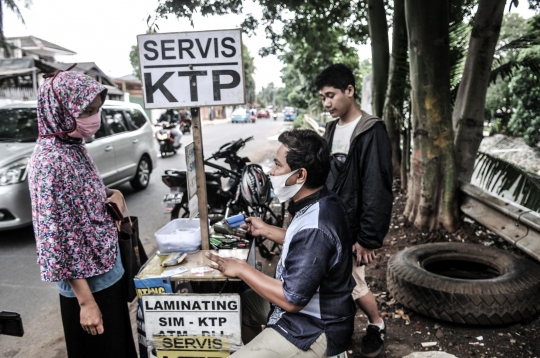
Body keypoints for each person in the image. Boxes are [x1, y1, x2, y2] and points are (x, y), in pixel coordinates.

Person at [206, 129, 356, 358]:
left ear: (300, 175)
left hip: (313, 327)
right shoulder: (321, 200)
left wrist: (241, 269)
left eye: (277, 165)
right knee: (237, 307)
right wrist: (266, 230)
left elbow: (291, 300)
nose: (271, 171)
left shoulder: (316, 226)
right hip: (305, 311)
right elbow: (308, 248)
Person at [28, 69, 138, 358]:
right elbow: (58, 239)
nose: (94, 118)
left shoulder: (72, 146)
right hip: (90, 288)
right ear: (60, 109)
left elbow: (80, 200)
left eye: (97, 110)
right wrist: (86, 303)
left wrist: (112, 198)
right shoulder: (50, 163)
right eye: (86, 111)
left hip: (107, 269)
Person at [314, 63, 394, 358]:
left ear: (350, 91)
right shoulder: (332, 128)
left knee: (354, 283)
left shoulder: (370, 131)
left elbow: (377, 187)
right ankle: (339, 331)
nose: (326, 103)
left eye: (331, 95)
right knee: (341, 281)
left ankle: (377, 324)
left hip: (352, 229)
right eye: (323, 97)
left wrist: (369, 237)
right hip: (331, 223)